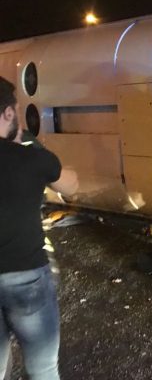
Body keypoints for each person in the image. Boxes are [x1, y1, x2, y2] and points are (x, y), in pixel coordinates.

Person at [1, 77, 78, 380]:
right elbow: (72, 186)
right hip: (26, 278)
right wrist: (32, 149)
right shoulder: (30, 157)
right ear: (8, 113)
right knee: (43, 369)